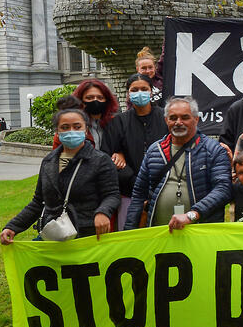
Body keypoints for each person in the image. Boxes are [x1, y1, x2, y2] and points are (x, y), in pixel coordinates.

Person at [0, 107, 120, 243]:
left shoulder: (100, 160)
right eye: (65, 127)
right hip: (53, 235)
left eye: (77, 126)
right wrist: (13, 227)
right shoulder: (48, 161)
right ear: (57, 132)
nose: (71, 131)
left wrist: (103, 212)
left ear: (86, 129)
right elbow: (38, 202)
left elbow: (112, 195)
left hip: (86, 236)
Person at [124, 97, 232, 230]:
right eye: (173, 118)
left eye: (185, 117)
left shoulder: (213, 150)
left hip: (201, 233)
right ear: (166, 120)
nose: (178, 122)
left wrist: (193, 215)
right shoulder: (154, 151)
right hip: (159, 234)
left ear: (196, 119)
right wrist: (128, 232)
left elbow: (223, 189)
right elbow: (138, 195)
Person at [102, 73, 167, 224]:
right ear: (128, 93)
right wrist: (136, 183)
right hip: (128, 194)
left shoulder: (166, 117)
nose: (139, 93)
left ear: (151, 91)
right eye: (134, 89)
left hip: (163, 190)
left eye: (144, 89)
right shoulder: (118, 122)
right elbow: (108, 157)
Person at [71, 78, 120, 148]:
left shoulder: (115, 123)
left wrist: (120, 153)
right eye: (89, 98)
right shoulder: (71, 125)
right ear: (80, 101)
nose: (95, 101)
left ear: (107, 100)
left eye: (100, 98)